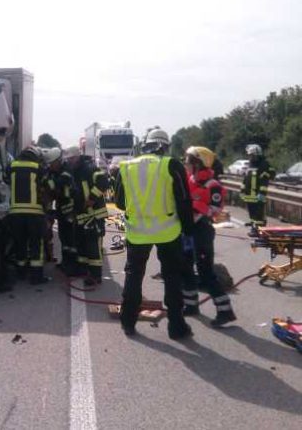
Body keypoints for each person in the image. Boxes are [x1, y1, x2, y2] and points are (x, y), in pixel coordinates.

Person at [114, 128, 194, 339]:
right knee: (172, 278)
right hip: (168, 232)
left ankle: (128, 322)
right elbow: (184, 200)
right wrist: (188, 231)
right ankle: (176, 327)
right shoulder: (171, 164)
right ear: (165, 146)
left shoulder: (126, 167)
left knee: (134, 275)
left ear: (145, 144)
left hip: (137, 233)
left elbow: (119, 202)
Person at [181, 146, 236, 327]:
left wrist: (194, 204)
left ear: (199, 163)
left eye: (188, 160)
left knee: (205, 273)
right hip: (187, 232)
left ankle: (225, 310)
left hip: (202, 232)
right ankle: (191, 305)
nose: (186, 163)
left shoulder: (214, 186)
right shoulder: (189, 180)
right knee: (186, 268)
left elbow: (215, 210)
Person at [66, 146, 110, 285]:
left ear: (78, 157)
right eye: (68, 159)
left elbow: (103, 181)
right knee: (82, 244)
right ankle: (84, 270)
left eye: (72, 159)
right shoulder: (75, 171)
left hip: (94, 215)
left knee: (93, 246)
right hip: (83, 216)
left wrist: (91, 198)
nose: (70, 161)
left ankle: (95, 275)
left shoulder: (89, 168)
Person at [6, 146, 48, 285]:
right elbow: (45, 187)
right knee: (37, 244)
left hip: (15, 213)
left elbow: (6, 182)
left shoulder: (11, 166)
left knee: (20, 243)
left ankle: (21, 273)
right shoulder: (38, 168)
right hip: (34, 212)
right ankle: (36, 277)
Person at [241, 144, 275, 236]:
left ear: (257, 155)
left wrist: (262, 193)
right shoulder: (250, 164)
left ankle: (259, 230)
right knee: (252, 214)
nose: (250, 157)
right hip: (249, 195)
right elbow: (246, 178)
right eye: (249, 155)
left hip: (258, 194)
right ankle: (254, 227)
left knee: (258, 214)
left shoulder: (263, 164)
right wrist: (242, 190)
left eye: (252, 155)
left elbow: (265, 180)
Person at [41, 147, 63, 262]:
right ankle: (48, 255)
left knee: (48, 233)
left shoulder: (52, 174)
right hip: (43, 208)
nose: (50, 166)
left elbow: (53, 191)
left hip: (47, 208)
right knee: (46, 232)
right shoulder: (46, 174)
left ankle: (49, 255)